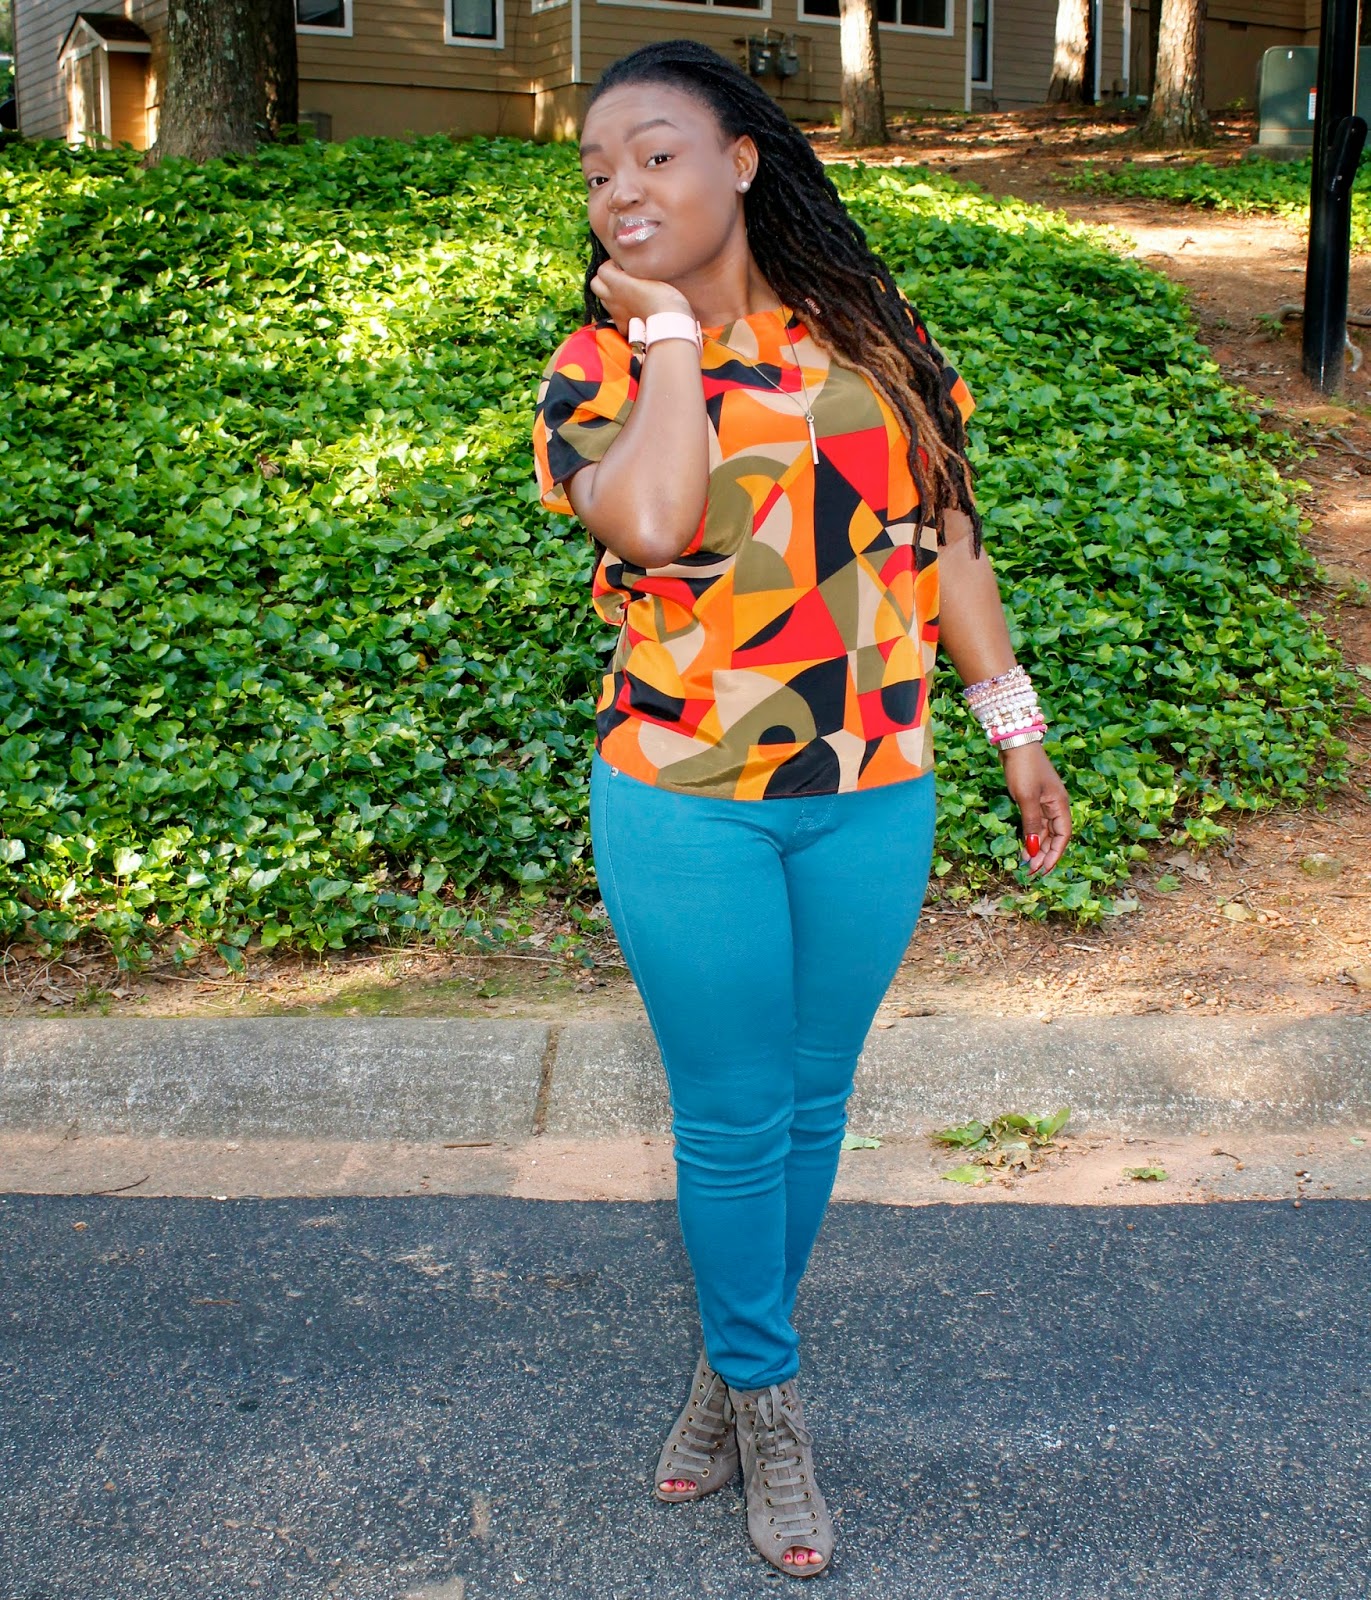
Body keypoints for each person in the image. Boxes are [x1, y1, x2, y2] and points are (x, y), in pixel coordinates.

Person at [530, 39, 1072, 1579]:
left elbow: (945, 538)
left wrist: (1015, 732)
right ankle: (770, 1406)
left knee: (815, 1102)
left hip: (873, 786)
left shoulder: (874, 335)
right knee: (730, 1115)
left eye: (656, 154)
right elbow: (654, 518)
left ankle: (729, 1367)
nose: (622, 190)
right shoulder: (599, 369)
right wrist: (672, 340)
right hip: (685, 799)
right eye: (598, 171)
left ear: (743, 161)